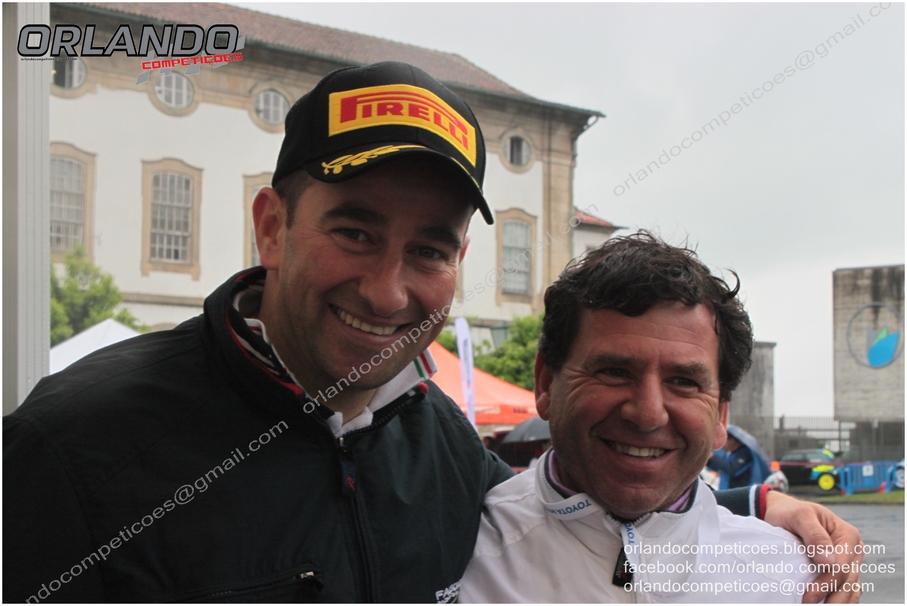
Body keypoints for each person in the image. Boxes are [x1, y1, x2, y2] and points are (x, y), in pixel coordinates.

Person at [4, 63, 859, 603]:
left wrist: (755, 507)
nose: (387, 289)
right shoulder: (73, 445)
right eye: (354, 231)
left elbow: (580, 499)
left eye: (429, 249)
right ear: (271, 227)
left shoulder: (436, 439)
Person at [460, 233, 855, 603]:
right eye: (614, 372)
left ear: (721, 415)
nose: (648, 414)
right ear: (546, 384)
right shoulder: (457, 552)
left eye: (684, 382)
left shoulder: (798, 578)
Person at [708, 425, 772, 489]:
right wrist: (709, 461)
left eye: (725, 440)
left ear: (732, 441)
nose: (722, 445)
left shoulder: (744, 453)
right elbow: (720, 468)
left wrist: (713, 457)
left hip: (737, 492)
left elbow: (732, 469)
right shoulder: (729, 454)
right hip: (725, 492)